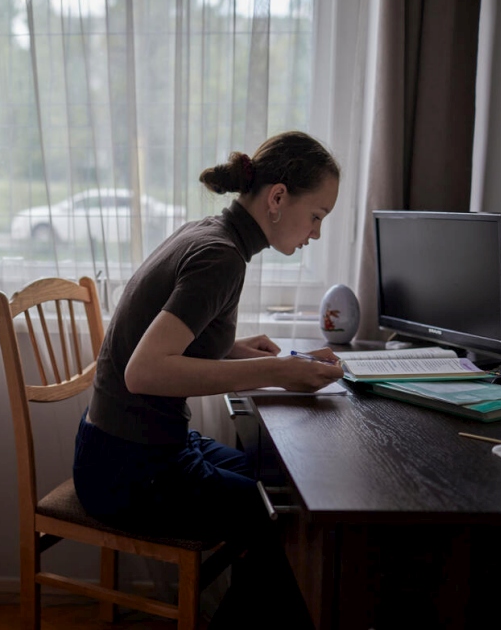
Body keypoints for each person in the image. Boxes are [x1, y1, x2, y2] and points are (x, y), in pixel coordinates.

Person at [72, 130, 344, 628]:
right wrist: (276, 371)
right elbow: (144, 371)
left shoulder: (210, 233)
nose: (316, 233)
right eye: (317, 216)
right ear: (278, 198)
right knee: (276, 517)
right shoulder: (221, 258)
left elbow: (166, 343)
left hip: (121, 448)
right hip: (127, 469)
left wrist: (238, 350)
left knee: (271, 482)